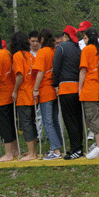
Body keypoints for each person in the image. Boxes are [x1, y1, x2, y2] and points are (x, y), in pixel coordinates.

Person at [53, 25, 85, 159]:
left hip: (66, 88)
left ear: (65, 36)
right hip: (78, 87)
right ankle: (79, 147)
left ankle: (76, 149)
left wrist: (55, 84)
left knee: (70, 120)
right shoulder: (79, 49)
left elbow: (56, 67)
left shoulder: (61, 47)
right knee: (78, 119)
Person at [33, 28, 64, 160]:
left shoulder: (42, 52)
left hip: (45, 89)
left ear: (41, 39)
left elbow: (40, 71)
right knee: (54, 120)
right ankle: (58, 146)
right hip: (55, 88)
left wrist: (35, 89)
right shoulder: (54, 51)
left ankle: (56, 150)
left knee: (47, 121)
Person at [79, 27, 99, 159]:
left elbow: (83, 70)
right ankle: (98, 144)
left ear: (86, 37)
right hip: (97, 88)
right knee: (95, 116)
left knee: (92, 118)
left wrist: (80, 88)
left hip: (89, 88)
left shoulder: (87, 50)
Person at [10, 31, 38, 161]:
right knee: (32, 122)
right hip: (32, 93)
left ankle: (32, 153)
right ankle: (33, 151)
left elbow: (20, 75)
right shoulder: (30, 56)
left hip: (24, 93)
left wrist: (15, 90)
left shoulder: (17, 56)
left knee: (26, 123)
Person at [0, 32, 18, 162]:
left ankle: (8, 153)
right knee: (11, 123)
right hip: (10, 92)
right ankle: (15, 150)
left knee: (4, 124)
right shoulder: (7, 53)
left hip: (2, 95)